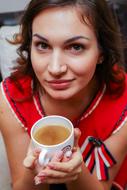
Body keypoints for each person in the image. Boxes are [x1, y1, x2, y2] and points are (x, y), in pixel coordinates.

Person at [0, 0, 127, 189]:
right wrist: (35, 171)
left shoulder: (123, 101)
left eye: (75, 47)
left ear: (101, 51)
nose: (55, 68)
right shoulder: (10, 98)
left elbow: (102, 186)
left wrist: (77, 173)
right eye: (42, 45)